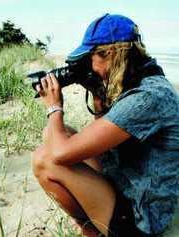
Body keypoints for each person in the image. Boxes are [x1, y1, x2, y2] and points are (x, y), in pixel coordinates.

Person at [32, 13, 179, 237]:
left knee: (45, 160)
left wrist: (54, 107)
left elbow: (61, 154)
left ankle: (92, 231)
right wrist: (97, 94)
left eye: (90, 58)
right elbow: (106, 145)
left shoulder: (147, 97)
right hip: (130, 183)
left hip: (144, 216)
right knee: (59, 135)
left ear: (110, 54)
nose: (90, 66)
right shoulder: (141, 80)